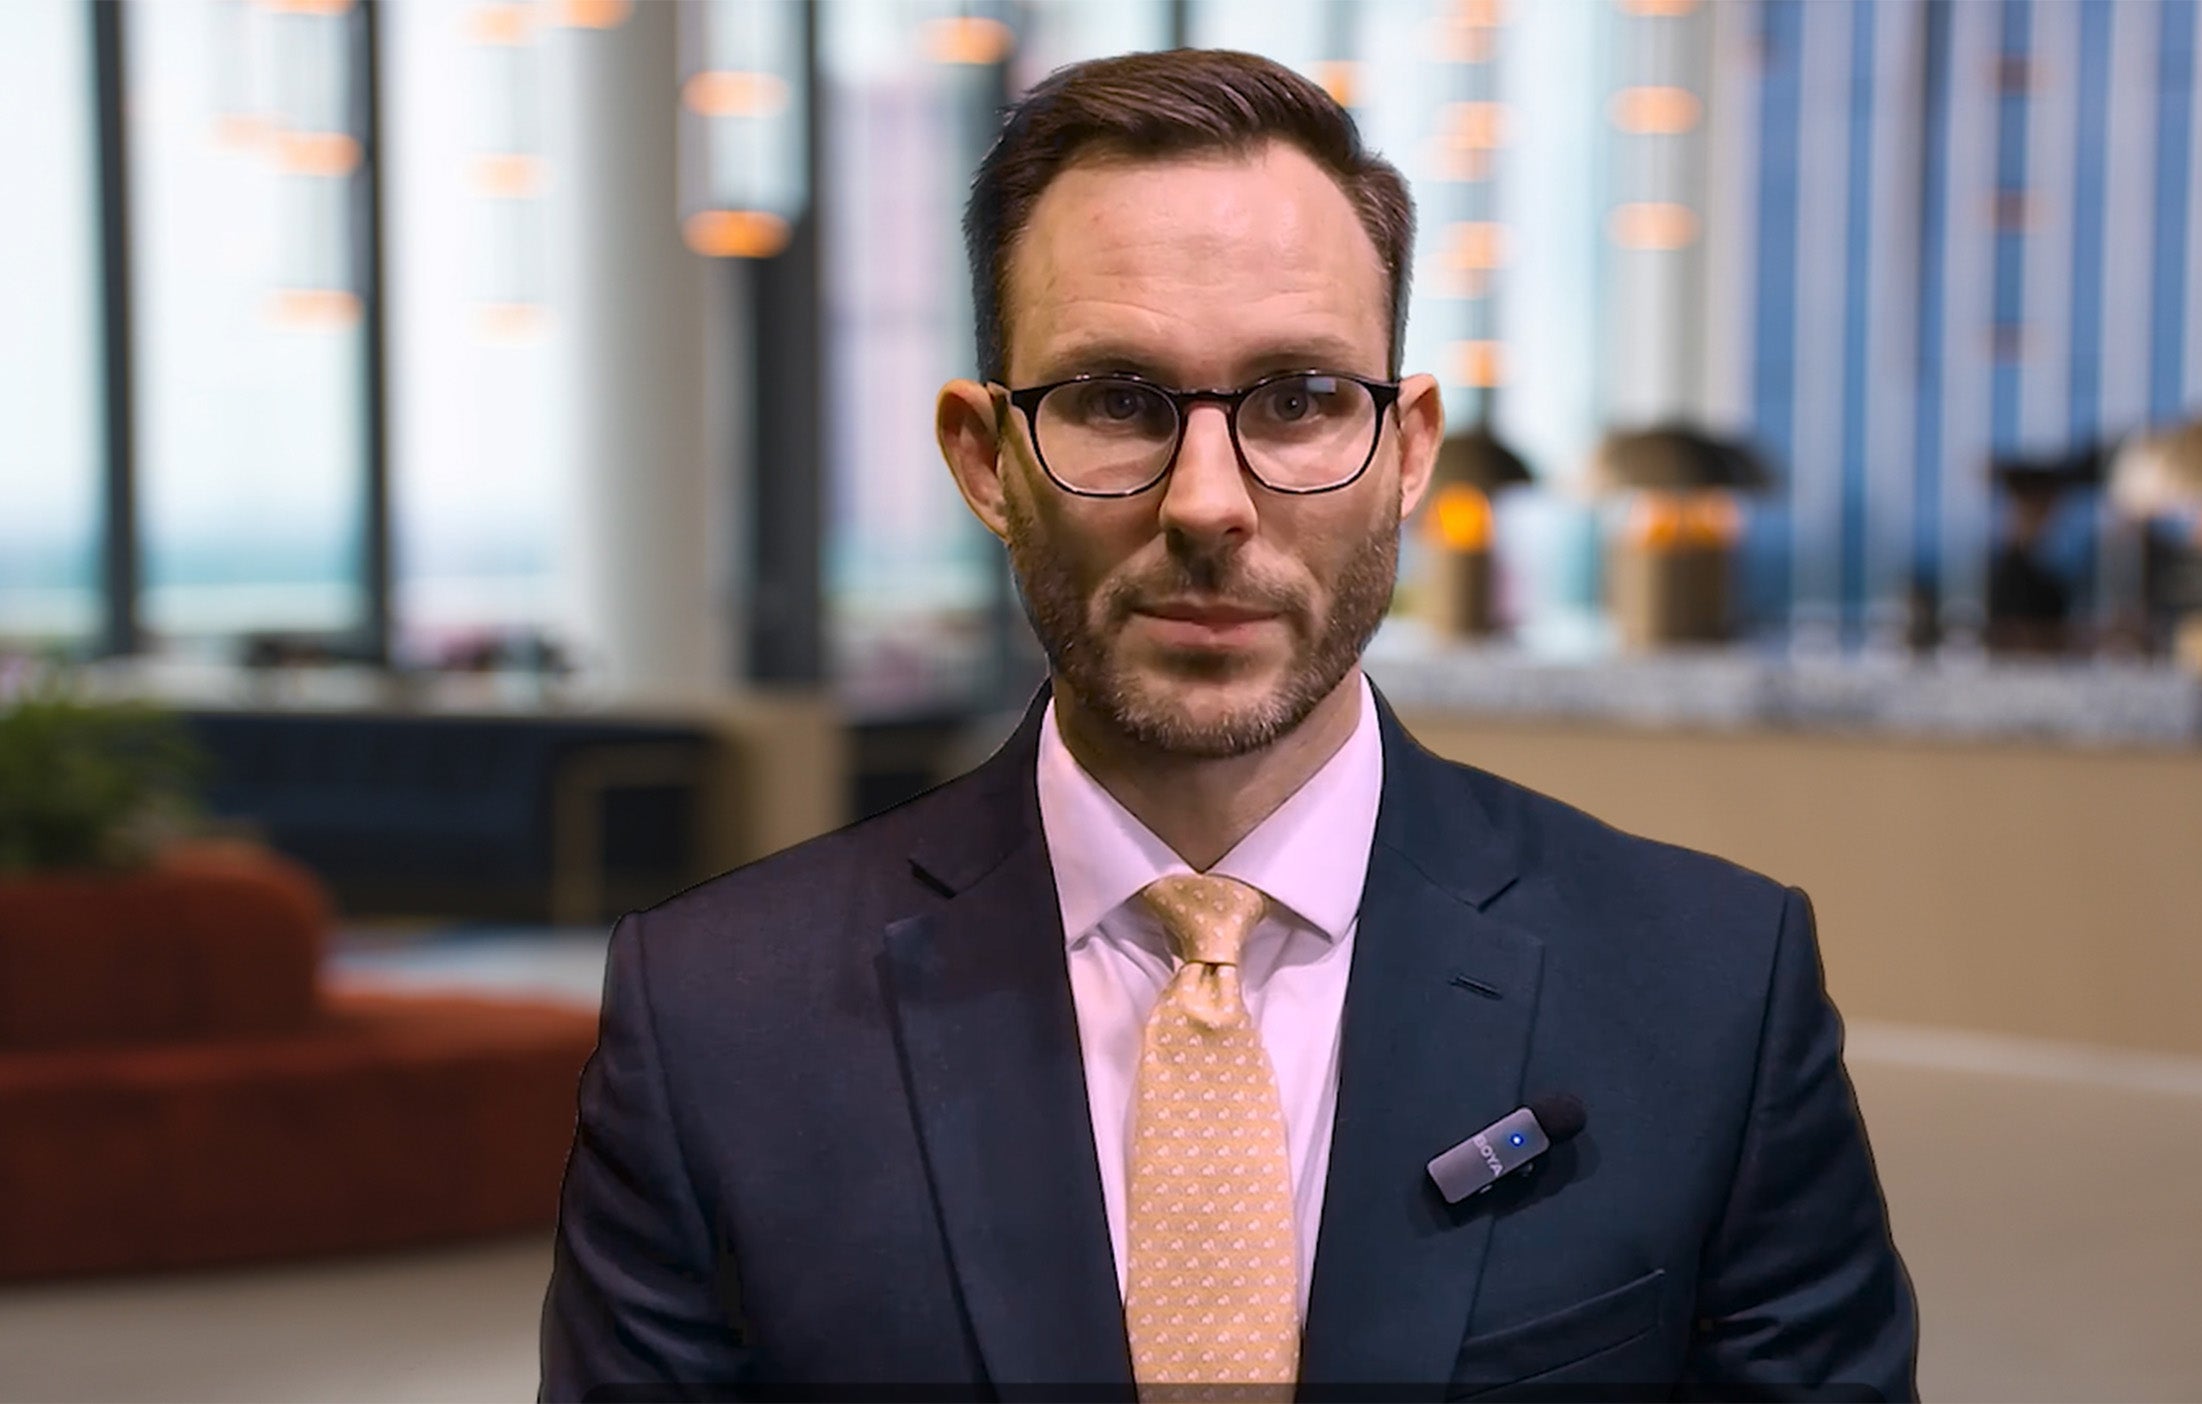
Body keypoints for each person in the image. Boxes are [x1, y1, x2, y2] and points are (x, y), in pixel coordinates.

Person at [541, 48, 1916, 1402]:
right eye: (1117, 402)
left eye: (1304, 400)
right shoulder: (718, 1019)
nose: (1208, 501)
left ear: (1411, 449)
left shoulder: (1710, 987)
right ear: (984, 458)